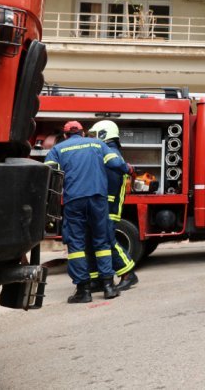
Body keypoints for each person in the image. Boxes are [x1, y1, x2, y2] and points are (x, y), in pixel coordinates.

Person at [44, 120, 130, 303]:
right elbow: (116, 163)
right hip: (98, 199)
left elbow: (49, 171)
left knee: (76, 245)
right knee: (102, 241)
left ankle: (83, 291)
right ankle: (108, 286)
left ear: (65, 135)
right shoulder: (97, 144)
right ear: (83, 133)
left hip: (74, 201)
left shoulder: (58, 149)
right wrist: (128, 168)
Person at [87, 120, 139, 292]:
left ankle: (128, 274)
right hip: (103, 205)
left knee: (107, 240)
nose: (92, 138)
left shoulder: (110, 152)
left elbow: (112, 182)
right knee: (95, 241)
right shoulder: (107, 151)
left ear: (104, 134)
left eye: (95, 135)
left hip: (108, 206)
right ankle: (97, 279)